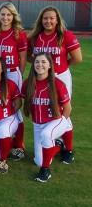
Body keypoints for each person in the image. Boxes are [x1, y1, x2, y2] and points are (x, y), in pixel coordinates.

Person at [27, 6, 82, 164]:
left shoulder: (65, 35)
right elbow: (29, 56)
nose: (48, 21)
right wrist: (41, 67)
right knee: (46, 109)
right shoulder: (35, 36)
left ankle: (68, 149)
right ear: (41, 20)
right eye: (45, 18)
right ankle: (54, 142)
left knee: (63, 111)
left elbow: (77, 58)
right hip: (41, 77)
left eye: (51, 18)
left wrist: (61, 67)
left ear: (57, 20)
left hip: (60, 77)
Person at [0, 2, 28, 159]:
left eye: (9, 14)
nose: (5, 17)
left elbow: (23, 58)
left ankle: (19, 144)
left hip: (11, 73)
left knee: (14, 108)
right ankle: (1, 139)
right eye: (3, 14)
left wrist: (20, 74)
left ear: (13, 16)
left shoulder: (19, 34)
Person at [22, 52, 72, 182]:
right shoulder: (28, 83)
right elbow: (19, 99)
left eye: (44, 62)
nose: (40, 64)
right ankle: (58, 147)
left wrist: (62, 124)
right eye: (37, 62)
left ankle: (45, 171)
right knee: (38, 160)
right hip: (37, 124)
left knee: (47, 134)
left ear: (50, 65)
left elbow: (68, 108)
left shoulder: (58, 84)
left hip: (55, 121)